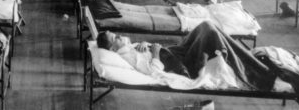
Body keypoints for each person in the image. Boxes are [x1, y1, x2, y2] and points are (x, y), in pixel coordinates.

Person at [96, 21, 276, 91]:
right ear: (112, 49)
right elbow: (152, 71)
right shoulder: (127, 57)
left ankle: (244, 59)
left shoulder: (126, 48)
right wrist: (155, 52)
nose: (120, 36)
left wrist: (142, 44)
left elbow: (136, 49)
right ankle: (259, 73)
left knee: (206, 26)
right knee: (211, 33)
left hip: (175, 53)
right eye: (116, 38)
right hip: (180, 63)